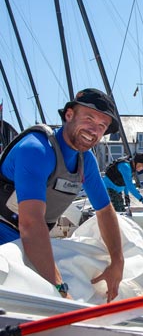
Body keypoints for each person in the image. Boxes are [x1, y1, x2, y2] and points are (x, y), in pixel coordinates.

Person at [0, 88, 125, 303]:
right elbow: (30, 224)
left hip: (29, 242)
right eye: (89, 118)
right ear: (69, 115)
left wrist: (117, 262)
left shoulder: (86, 162)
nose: (94, 130)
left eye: (101, 126)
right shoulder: (36, 150)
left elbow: (105, 210)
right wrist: (59, 288)